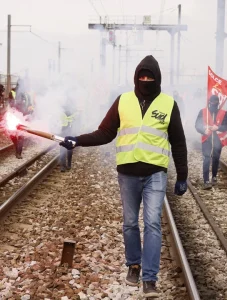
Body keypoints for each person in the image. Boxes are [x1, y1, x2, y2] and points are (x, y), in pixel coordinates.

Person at [60, 55, 188, 298]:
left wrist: (182, 175)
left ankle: (150, 278)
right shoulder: (123, 101)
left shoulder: (168, 104)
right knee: (130, 223)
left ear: (157, 78)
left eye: (150, 76)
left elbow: (179, 142)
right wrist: (76, 140)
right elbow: (104, 133)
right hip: (127, 174)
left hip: (155, 173)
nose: (145, 80)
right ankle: (134, 265)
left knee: (152, 224)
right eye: (142, 76)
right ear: (136, 77)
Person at [195, 95, 227, 190]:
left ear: (218, 103)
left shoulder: (223, 113)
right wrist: (203, 130)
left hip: (218, 139)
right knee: (206, 157)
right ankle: (206, 180)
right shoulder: (203, 112)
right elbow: (197, 125)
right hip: (206, 138)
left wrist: (218, 128)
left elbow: (226, 125)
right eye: (212, 103)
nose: (214, 105)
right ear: (209, 102)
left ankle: (214, 176)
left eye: (216, 103)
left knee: (216, 157)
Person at [8, 81, 34, 159]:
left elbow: (30, 105)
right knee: (12, 134)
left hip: (24, 116)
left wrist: (31, 111)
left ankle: (18, 153)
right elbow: (9, 103)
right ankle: (17, 147)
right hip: (14, 115)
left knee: (20, 135)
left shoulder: (27, 95)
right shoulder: (12, 93)